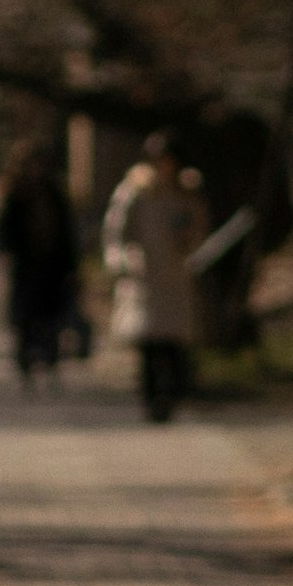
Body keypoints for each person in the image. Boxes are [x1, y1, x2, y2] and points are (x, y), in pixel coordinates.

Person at [104, 131, 203, 423]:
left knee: (173, 342)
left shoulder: (186, 192)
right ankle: (151, 398)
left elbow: (198, 227)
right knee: (149, 343)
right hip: (144, 275)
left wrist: (190, 244)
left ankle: (172, 396)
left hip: (174, 274)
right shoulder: (135, 190)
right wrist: (121, 260)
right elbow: (115, 231)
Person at [0, 149, 81, 388]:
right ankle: (25, 363)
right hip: (26, 267)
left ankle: (51, 362)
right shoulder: (15, 195)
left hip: (53, 267)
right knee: (25, 319)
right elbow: (3, 230)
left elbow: (67, 233)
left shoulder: (55, 194)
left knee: (52, 319)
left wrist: (72, 266)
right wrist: (5, 255)